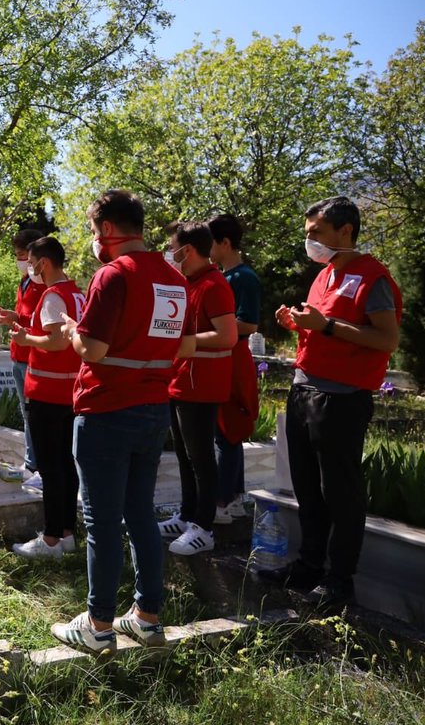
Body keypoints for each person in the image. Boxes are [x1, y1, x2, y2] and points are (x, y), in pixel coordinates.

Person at [49, 190, 194, 653]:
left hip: (106, 410)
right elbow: (186, 347)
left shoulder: (112, 276)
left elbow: (92, 349)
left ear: (107, 230)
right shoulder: (173, 278)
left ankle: (98, 626)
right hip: (154, 410)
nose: (94, 241)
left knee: (102, 523)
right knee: (140, 515)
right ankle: (147, 618)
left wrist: (72, 330)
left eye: (93, 231)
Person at [265, 196, 401, 610]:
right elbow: (322, 327)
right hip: (305, 388)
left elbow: (386, 339)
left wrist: (325, 326)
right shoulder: (324, 275)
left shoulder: (372, 277)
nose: (310, 242)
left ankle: (339, 580)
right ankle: (308, 565)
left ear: (345, 232)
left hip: (342, 398)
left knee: (339, 492)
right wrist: (300, 323)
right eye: (308, 234)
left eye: (316, 234)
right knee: (306, 485)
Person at [155, 221, 237, 556]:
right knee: (186, 457)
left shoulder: (214, 285)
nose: (169, 252)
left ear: (186, 250)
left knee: (201, 457)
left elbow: (227, 335)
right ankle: (186, 515)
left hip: (201, 385)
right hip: (180, 383)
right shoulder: (185, 283)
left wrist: (185, 342)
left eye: (172, 246)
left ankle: (204, 527)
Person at [6, 236, 84, 558]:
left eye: (31, 261)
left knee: (51, 469)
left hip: (47, 393)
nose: (29, 267)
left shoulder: (53, 295)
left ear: (44, 263)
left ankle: (50, 540)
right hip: (70, 394)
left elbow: (55, 342)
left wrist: (26, 338)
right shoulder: (77, 293)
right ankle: (66, 534)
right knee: (66, 466)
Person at [207, 214, 263, 523]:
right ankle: (234, 496)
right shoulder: (221, 274)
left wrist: (214, 325)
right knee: (224, 431)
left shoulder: (243, 278)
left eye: (211, 243)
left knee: (228, 431)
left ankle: (224, 501)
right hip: (221, 357)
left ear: (225, 243)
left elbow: (249, 322)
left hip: (233, 357)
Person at [0, 228, 46, 491]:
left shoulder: (44, 283)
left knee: (36, 415)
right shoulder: (23, 282)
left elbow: (42, 321)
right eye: (17, 256)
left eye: (23, 255)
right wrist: (10, 316)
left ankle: (39, 467)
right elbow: (25, 316)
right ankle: (31, 464)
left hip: (35, 356)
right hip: (18, 355)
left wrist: (20, 320)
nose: (19, 260)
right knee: (27, 414)